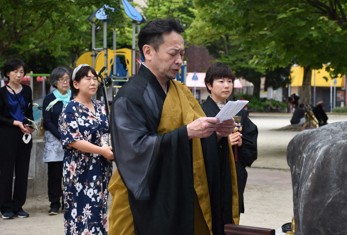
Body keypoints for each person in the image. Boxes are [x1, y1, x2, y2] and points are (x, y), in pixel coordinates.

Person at [108, 18, 238, 235]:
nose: (179, 60)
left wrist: (215, 135)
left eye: (182, 54)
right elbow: (134, 152)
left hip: (181, 196)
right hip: (142, 205)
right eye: (173, 53)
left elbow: (197, 142)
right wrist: (186, 133)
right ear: (148, 52)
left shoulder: (181, 92)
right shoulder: (130, 97)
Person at [59, 64, 113, 234]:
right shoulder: (69, 110)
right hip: (79, 171)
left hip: (100, 169)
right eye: (87, 78)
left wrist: (107, 146)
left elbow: (106, 130)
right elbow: (73, 140)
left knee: (98, 210)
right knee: (80, 212)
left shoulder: (99, 106)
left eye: (94, 78)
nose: (93, 82)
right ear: (76, 84)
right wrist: (101, 150)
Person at [202, 62, 258, 214]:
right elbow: (196, 144)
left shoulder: (238, 111)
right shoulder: (200, 111)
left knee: (231, 219)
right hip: (211, 176)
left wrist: (240, 143)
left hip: (233, 175)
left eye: (229, 81)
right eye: (221, 81)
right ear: (209, 85)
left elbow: (250, 140)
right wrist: (221, 141)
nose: (226, 85)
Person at [0, 59, 34, 219]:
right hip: (7, 134)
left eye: (21, 72)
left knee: (22, 170)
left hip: (24, 135)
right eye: (15, 71)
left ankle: (18, 205)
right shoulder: (1, 92)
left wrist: (30, 126)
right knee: (6, 170)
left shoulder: (27, 91)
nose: (19, 75)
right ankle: (5, 206)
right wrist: (15, 123)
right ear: (8, 73)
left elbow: (29, 112)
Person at [42, 66, 72, 215]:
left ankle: (67, 201)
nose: (65, 82)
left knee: (70, 173)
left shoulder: (74, 97)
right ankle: (54, 203)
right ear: (55, 82)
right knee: (54, 174)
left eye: (67, 79)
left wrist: (69, 136)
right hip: (54, 141)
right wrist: (61, 135)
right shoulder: (50, 99)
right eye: (61, 80)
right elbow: (47, 121)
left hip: (72, 141)